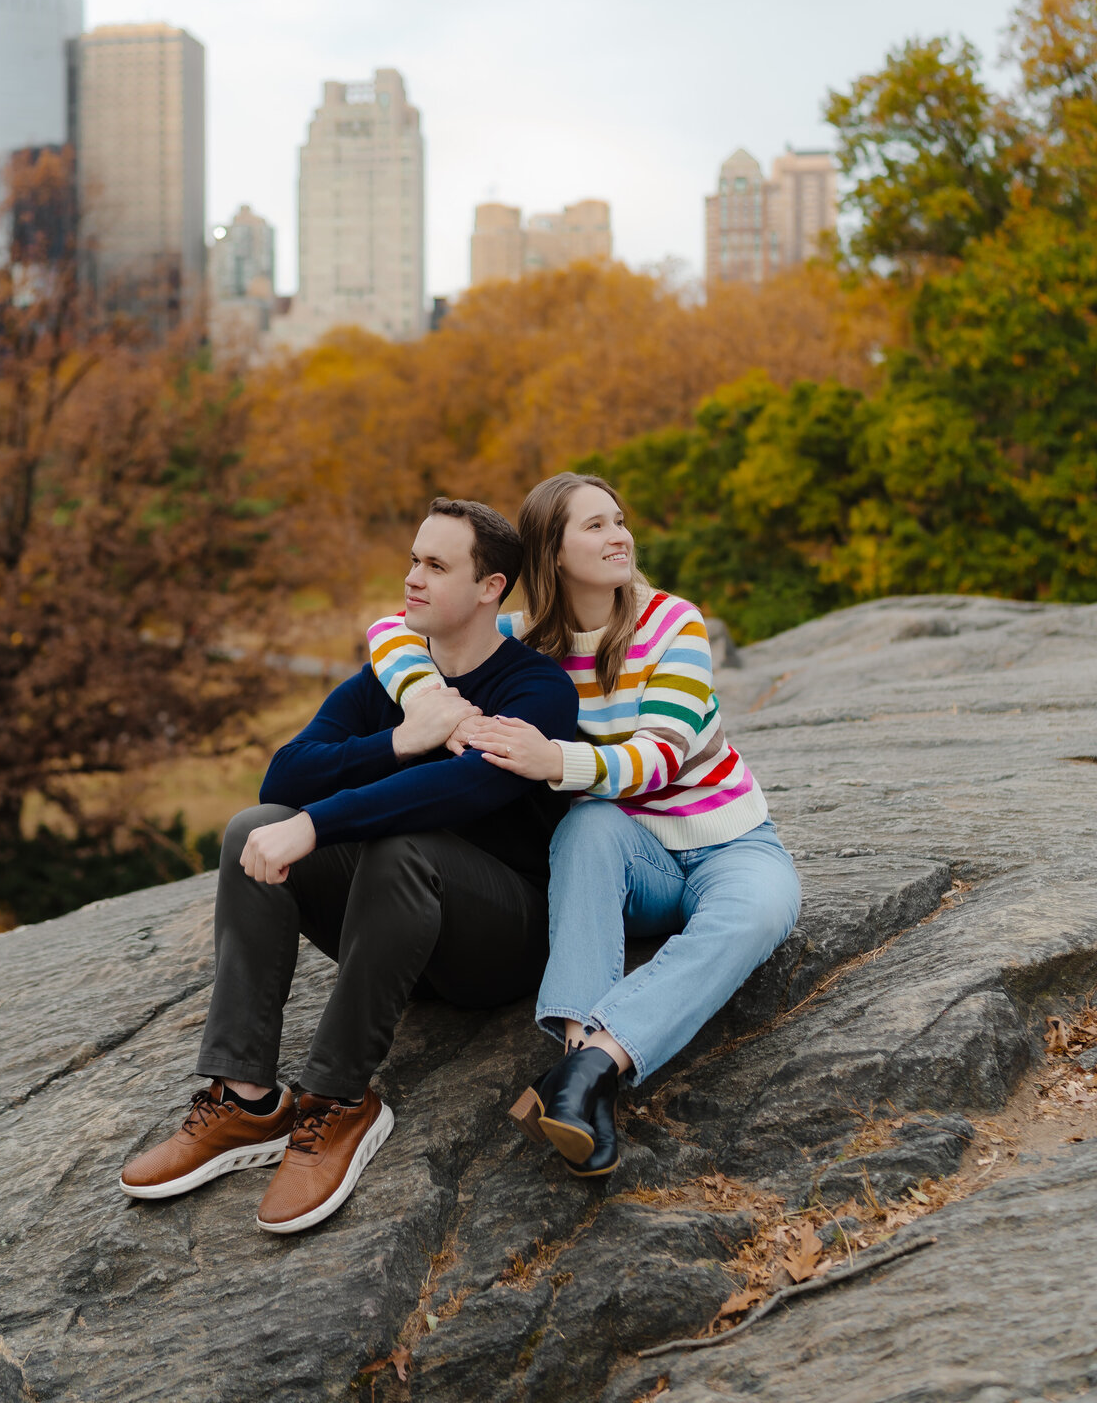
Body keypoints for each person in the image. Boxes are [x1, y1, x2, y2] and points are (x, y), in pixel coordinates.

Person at [119, 497, 578, 1233]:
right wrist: (400, 739)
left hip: (500, 944)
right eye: (412, 559)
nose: (412, 578)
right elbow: (285, 778)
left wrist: (320, 824)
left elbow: (461, 788)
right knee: (251, 828)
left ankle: (338, 1102)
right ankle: (247, 1101)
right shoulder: (390, 684)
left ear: (491, 587)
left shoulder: (537, 689)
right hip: (397, 934)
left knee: (403, 842)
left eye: (435, 565)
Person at [366, 472, 801, 1178]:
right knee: (589, 826)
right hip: (627, 857)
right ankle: (578, 1061)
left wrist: (550, 759)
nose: (619, 535)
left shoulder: (673, 624)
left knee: (763, 912)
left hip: (726, 841)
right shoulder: (523, 642)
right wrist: (429, 703)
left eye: (620, 520)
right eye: (595, 525)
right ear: (553, 553)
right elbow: (391, 628)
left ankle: (586, 1072)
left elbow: (661, 757)